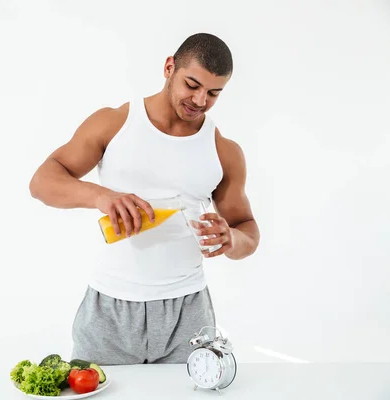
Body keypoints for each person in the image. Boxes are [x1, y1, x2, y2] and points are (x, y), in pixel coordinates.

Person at [29, 33, 260, 365]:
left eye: (213, 93)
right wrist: (101, 196)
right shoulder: (114, 123)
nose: (199, 100)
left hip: (189, 310)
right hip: (109, 310)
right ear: (169, 67)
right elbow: (42, 182)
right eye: (192, 85)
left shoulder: (224, 151)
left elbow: (247, 229)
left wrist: (231, 239)